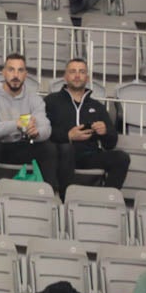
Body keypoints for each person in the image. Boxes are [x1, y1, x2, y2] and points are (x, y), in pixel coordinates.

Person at [0, 54, 55, 197]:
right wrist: (17, 124)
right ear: (4, 72)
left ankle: (50, 195)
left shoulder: (34, 99)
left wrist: (36, 132)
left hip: (17, 147)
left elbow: (46, 128)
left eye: (20, 70)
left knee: (48, 147)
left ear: (25, 74)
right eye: (11, 70)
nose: (15, 75)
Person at [44, 57, 130, 193]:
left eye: (82, 72)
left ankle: (105, 200)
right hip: (62, 154)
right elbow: (43, 132)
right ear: (65, 77)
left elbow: (111, 142)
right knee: (67, 149)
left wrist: (105, 132)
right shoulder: (51, 101)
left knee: (121, 158)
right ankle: (65, 199)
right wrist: (68, 136)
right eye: (73, 71)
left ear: (88, 77)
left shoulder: (97, 106)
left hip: (89, 156)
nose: (77, 75)